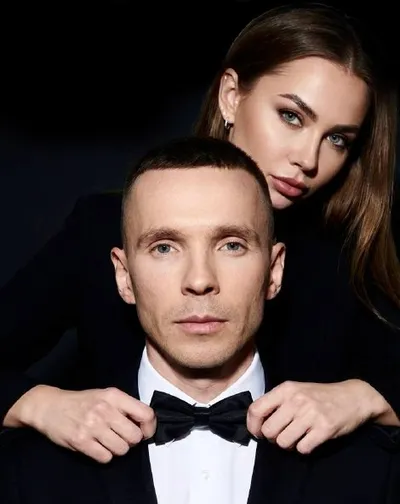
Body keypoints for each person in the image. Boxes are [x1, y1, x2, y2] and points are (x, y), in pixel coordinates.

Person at [0, 136, 399, 504]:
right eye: (165, 247)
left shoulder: (368, 467)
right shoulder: (33, 472)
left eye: (231, 244)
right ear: (123, 275)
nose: (199, 280)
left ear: (275, 270)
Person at [1, 4, 399, 463]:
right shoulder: (103, 228)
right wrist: (39, 404)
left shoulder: (344, 258)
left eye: (337, 139)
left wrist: (366, 398)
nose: (308, 159)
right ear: (231, 96)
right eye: (292, 116)